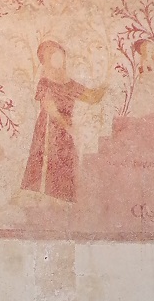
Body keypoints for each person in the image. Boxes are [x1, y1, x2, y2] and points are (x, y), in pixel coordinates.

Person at [20, 40, 105, 202]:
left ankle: (63, 199)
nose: (58, 60)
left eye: (60, 56)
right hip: (49, 129)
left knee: (67, 163)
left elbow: (92, 97)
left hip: (66, 129)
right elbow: (49, 108)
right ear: (46, 61)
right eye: (53, 57)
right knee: (49, 163)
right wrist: (67, 126)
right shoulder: (45, 82)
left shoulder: (69, 83)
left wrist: (107, 83)